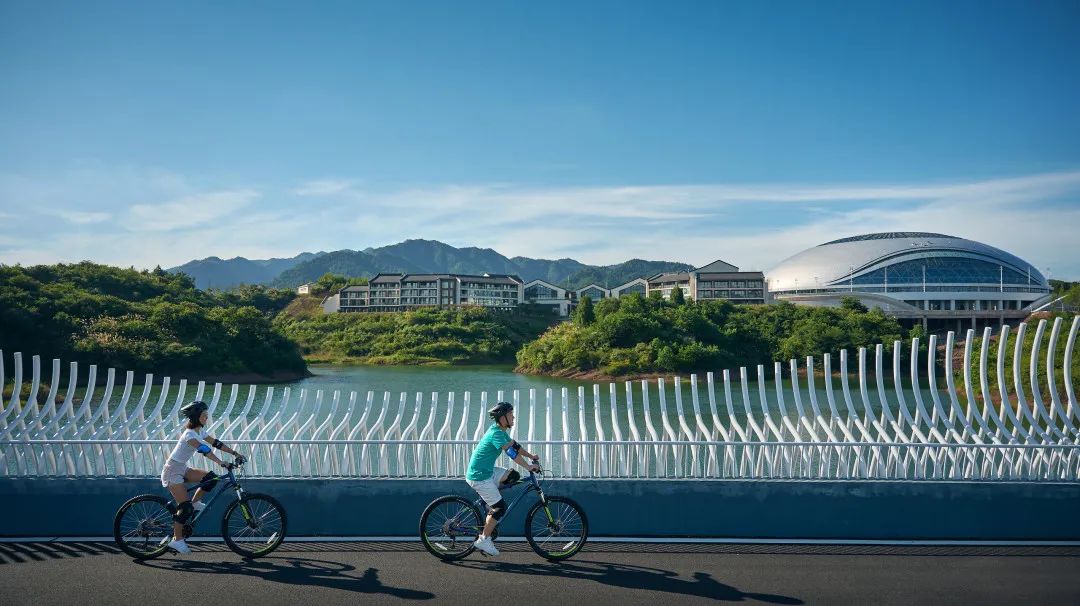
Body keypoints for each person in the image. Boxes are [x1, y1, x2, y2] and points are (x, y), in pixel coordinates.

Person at [160, 400, 246, 554]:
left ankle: (194, 503)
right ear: (196, 417)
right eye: (204, 415)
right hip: (172, 470)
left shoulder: (199, 432)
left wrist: (235, 453)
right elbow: (204, 449)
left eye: (207, 415)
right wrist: (221, 462)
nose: (207, 418)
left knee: (210, 479)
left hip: (182, 468)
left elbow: (216, 443)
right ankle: (177, 540)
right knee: (184, 508)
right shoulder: (189, 435)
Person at [465, 401, 540, 557]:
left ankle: (490, 505)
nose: (513, 417)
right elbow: (511, 453)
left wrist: (531, 456)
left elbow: (515, 446)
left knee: (513, 476)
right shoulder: (496, 434)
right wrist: (528, 467)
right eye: (510, 414)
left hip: (487, 472)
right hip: (479, 476)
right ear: (502, 417)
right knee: (501, 508)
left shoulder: (500, 431)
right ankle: (483, 540)